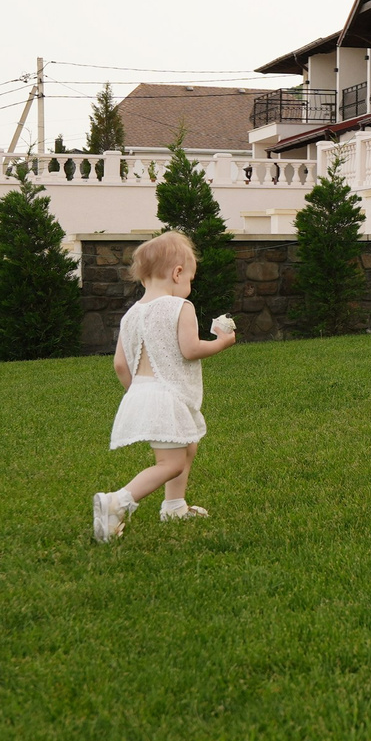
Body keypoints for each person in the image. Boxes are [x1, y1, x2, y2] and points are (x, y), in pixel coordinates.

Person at [91, 229, 237, 543]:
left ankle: (174, 506)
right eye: (190, 279)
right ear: (177, 272)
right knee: (169, 463)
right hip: (164, 396)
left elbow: (120, 364)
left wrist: (137, 394)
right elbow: (190, 349)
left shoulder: (131, 315)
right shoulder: (179, 308)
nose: (189, 286)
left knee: (188, 446)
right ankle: (117, 502)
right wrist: (222, 342)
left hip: (140, 392)